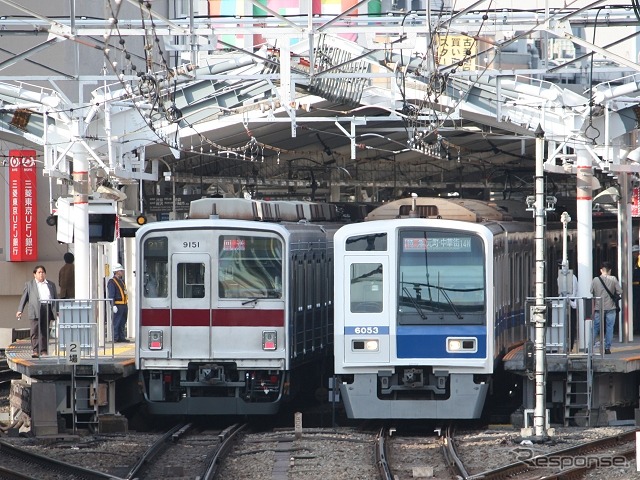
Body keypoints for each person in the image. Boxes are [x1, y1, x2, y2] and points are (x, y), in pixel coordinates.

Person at [16, 265, 58, 358]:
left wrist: (57, 310)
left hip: (47, 307)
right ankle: (35, 351)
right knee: (35, 330)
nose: (41, 274)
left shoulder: (51, 284)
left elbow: (55, 298)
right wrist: (20, 310)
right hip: (35, 309)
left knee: (45, 330)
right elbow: (24, 298)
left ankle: (44, 350)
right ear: (34, 274)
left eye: (43, 272)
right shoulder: (29, 284)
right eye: (39, 272)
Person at [590, 261, 622, 355]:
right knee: (609, 328)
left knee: (595, 327)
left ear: (601, 270)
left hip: (598, 307)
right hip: (611, 307)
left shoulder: (595, 279)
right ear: (610, 270)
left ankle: (590, 347)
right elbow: (619, 291)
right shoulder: (613, 279)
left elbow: (591, 290)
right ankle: (607, 348)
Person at [557, 262, 578, 351]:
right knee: (566, 325)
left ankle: (570, 345)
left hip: (570, 303)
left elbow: (574, 291)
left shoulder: (572, 277)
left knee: (570, 325)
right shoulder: (560, 277)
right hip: (566, 302)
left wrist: (568, 299)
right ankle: (566, 344)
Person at [107, 263, 129, 343]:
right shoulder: (112, 282)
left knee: (123, 321)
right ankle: (115, 337)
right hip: (118, 304)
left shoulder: (121, 281)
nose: (122, 271)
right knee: (116, 322)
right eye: (120, 270)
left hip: (124, 304)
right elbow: (111, 295)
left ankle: (121, 337)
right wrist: (113, 305)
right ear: (116, 271)